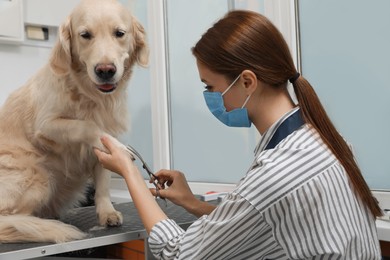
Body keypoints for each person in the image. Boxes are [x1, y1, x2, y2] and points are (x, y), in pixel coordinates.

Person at [94, 10, 382, 259]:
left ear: (247, 82)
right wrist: (193, 204)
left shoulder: (276, 173)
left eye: (210, 87)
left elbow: (180, 253)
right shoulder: (322, 140)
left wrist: (129, 172)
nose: (210, 98)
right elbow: (261, 221)